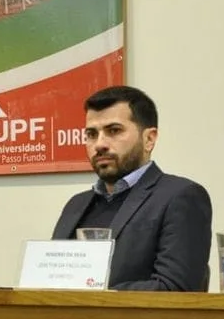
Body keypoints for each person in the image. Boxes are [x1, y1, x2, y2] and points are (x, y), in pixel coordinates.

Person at [50, 86, 213, 291]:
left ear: (149, 139)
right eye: (91, 134)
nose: (100, 144)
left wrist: (96, 293)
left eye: (114, 131)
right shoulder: (75, 205)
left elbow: (175, 290)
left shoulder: (181, 196)